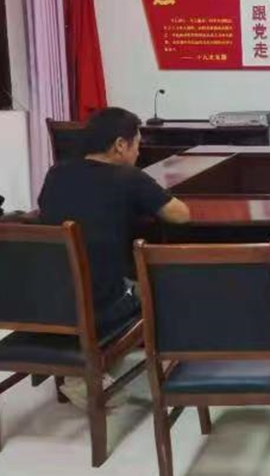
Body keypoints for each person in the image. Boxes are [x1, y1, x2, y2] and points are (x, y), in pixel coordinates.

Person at [38, 107, 190, 407]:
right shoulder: (128, 178)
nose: (138, 152)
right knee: (158, 286)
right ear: (120, 145)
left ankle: (81, 367)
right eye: (137, 145)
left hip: (48, 302)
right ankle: (98, 373)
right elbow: (180, 215)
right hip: (99, 308)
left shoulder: (56, 173)